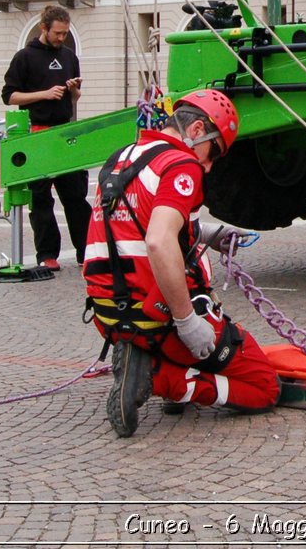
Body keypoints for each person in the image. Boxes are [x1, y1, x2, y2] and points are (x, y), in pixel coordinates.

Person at [84, 89, 280, 437]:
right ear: (196, 130)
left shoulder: (123, 158)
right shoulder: (182, 163)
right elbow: (159, 240)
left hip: (110, 312)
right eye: (214, 151)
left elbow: (132, 224)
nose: (209, 165)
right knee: (264, 386)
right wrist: (188, 322)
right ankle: (162, 379)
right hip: (157, 315)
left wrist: (206, 234)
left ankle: (151, 360)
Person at [1, 5, 90, 270]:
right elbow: (10, 96)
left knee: (75, 197)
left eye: (65, 33)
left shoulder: (69, 57)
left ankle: (86, 252)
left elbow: (74, 99)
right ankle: (47, 254)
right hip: (37, 134)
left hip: (64, 134)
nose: (62, 38)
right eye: (58, 33)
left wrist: (73, 91)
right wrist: (43, 94)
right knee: (41, 200)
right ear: (44, 28)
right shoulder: (24, 57)